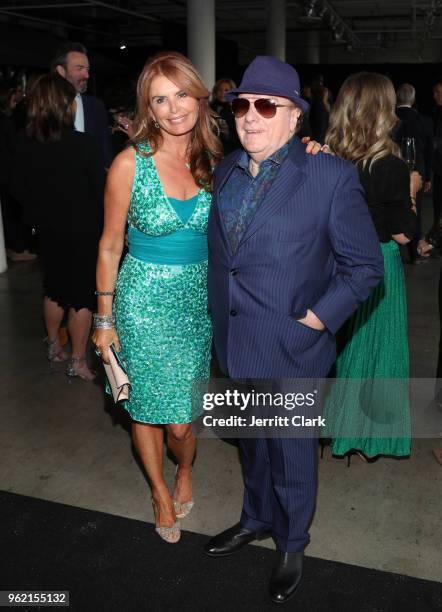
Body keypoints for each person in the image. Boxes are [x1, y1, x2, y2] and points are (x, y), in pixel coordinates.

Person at [204, 56, 384, 604]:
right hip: (236, 342)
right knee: (253, 443)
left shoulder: (328, 175)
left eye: (266, 106)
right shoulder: (226, 169)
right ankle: (255, 518)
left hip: (292, 346)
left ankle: (292, 541)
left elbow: (365, 267)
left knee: (292, 451)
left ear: (295, 118)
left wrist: (317, 319)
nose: (250, 117)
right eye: (242, 105)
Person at [92, 52, 222, 544]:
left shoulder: (215, 162)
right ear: (148, 108)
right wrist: (104, 318)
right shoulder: (130, 163)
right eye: (160, 100)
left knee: (183, 423)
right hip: (142, 303)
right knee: (146, 407)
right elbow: (108, 243)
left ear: (199, 96)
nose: (173, 109)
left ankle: (184, 469)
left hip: (196, 306)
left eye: (182, 95)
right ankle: (159, 492)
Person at [324, 72, 419, 460]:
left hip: (335, 263)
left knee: (341, 348)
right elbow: (403, 236)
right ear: (384, 111)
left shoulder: (327, 159)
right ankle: (373, 437)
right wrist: (411, 193)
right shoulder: (392, 167)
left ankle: (335, 428)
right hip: (377, 264)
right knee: (381, 353)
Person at [11, 74, 105, 380]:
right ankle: (78, 362)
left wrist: (36, 216)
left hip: (47, 230)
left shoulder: (23, 142)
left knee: (53, 289)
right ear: (63, 106)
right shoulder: (83, 145)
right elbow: (99, 190)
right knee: (80, 297)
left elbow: (17, 189)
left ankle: (53, 346)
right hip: (82, 231)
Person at [51, 42, 113, 168]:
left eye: (87, 69)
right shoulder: (46, 104)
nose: (87, 75)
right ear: (61, 71)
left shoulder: (96, 106)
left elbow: (105, 151)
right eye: (79, 69)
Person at [395, 83, 433, 263]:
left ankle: (397, 248)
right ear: (413, 99)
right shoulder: (423, 121)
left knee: (394, 207)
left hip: (393, 171)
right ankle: (414, 252)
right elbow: (428, 151)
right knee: (414, 209)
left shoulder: (390, 119)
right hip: (417, 172)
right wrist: (428, 177)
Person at [0, 81, 36, 262]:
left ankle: (15, 247)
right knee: (13, 212)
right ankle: (17, 248)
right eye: (17, 92)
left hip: (7, 173)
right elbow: (13, 147)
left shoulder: (9, 118)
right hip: (8, 174)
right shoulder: (7, 121)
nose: (20, 96)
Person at [210, 78, 240, 154]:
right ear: (215, 92)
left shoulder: (237, 110)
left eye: (226, 90)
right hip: (210, 150)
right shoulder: (208, 109)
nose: (222, 93)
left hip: (230, 153)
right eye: (219, 90)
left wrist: (227, 133)